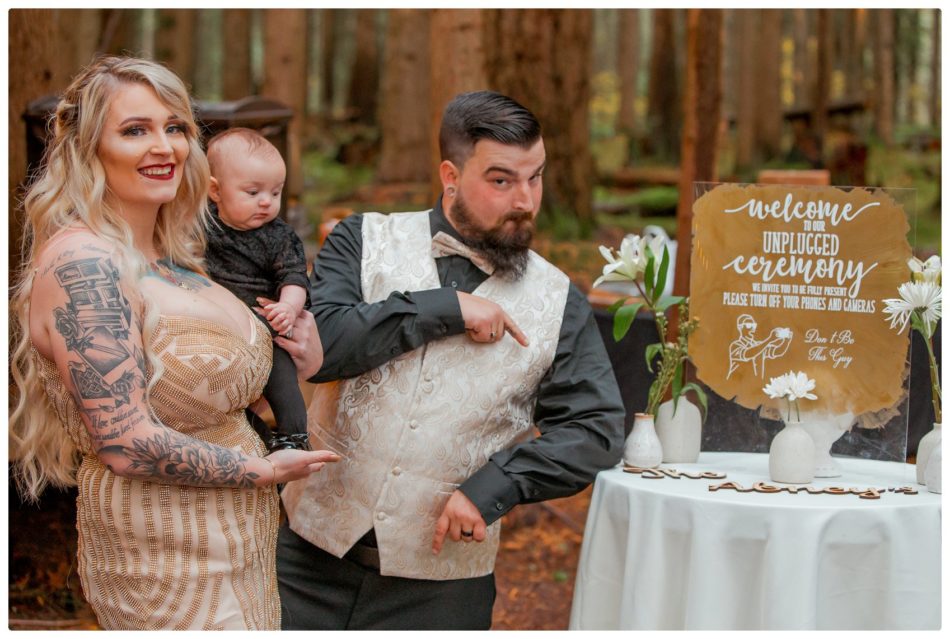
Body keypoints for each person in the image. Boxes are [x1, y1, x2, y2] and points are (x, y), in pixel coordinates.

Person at [8, 56, 339, 630]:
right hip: (165, 556)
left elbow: (215, 392)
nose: (164, 146)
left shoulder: (177, 260)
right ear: (87, 147)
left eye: (176, 127)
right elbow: (125, 441)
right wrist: (260, 470)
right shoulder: (84, 264)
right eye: (135, 130)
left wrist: (299, 358)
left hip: (243, 549)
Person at [274, 90, 625, 630]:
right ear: (451, 174)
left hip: (442, 592)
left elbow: (594, 428)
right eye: (502, 180)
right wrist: (445, 308)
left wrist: (495, 486)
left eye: (536, 178)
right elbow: (325, 350)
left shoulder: (560, 302)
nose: (526, 201)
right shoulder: (361, 240)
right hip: (303, 565)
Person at [204, 127, 310, 451]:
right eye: (252, 192)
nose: (266, 202)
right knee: (219, 399)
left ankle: (293, 435)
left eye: (275, 192)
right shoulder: (201, 225)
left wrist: (288, 309)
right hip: (214, 323)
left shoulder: (279, 237)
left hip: (264, 323)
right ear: (215, 191)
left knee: (281, 377)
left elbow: (295, 277)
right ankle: (251, 433)